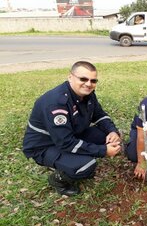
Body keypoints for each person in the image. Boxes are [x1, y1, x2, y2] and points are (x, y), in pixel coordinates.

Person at [23, 61, 121, 196]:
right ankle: (58, 180)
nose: (88, 84)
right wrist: (103, 151)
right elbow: (65, 142)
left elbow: (99, 115)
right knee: (87, 166)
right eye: (83, 79)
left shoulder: (88, 94)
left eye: (93, 80)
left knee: (103, 136)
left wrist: (112, 131)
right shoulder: (56, 103)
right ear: (70, 77)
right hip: (44, 146)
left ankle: (72, 160)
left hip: (69, 135)